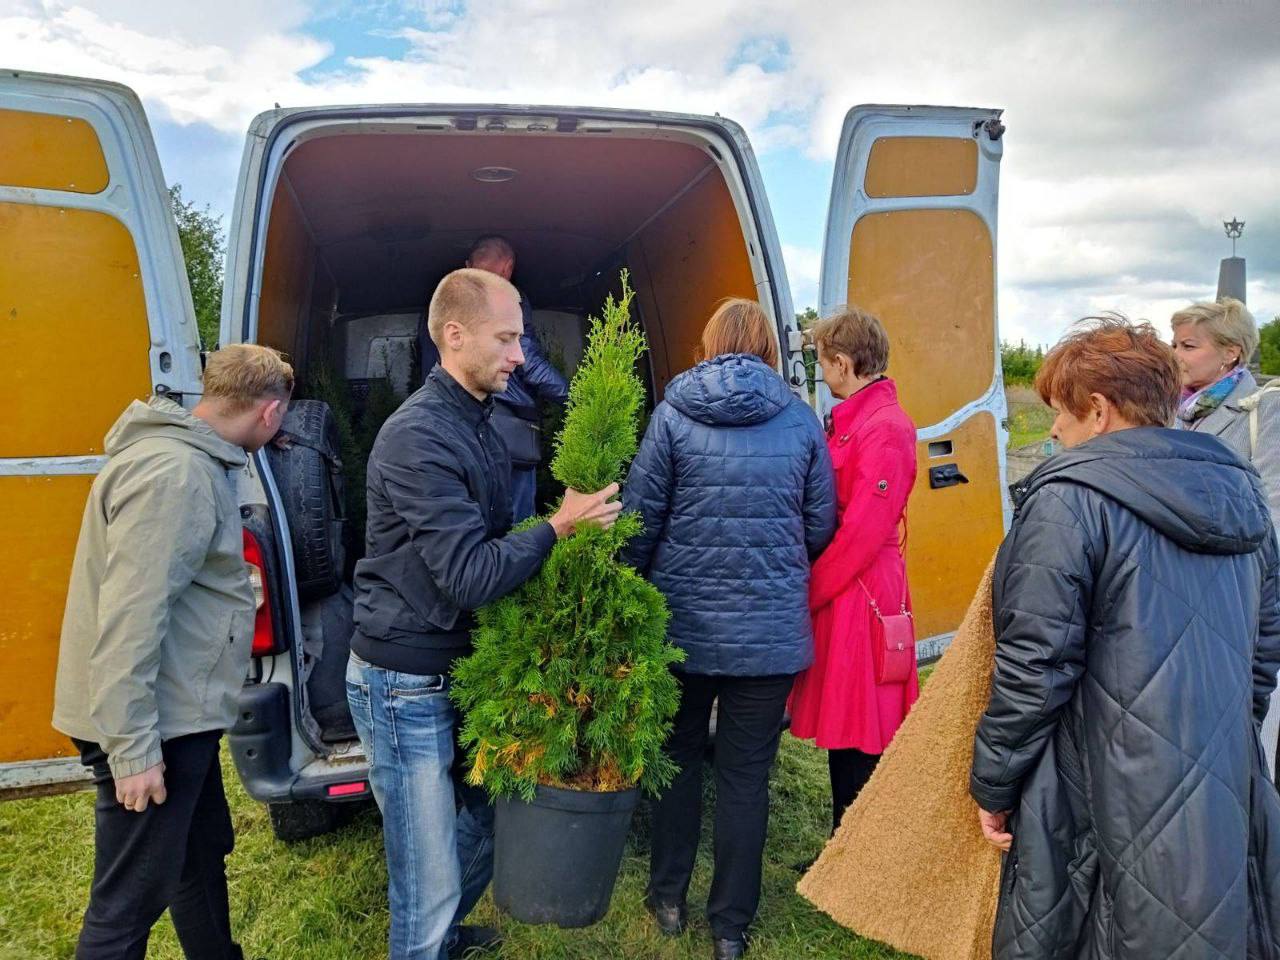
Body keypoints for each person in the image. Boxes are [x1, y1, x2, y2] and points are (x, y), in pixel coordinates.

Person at [970, 317, 1280, 959]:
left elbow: (1035, 666)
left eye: (1059, 412)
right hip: (1224, 777)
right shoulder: (1245, 496)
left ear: (1099, 410)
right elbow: (1264, 646)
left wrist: (994, 784)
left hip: (1095, 782)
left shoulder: (1068, 502)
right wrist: (1224, 736)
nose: (1053, 429)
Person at [347, 267, 621, 960]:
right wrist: (558, 528)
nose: (519, 356)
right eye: (506, 339)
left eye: (520, 340)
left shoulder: (479, 422)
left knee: (493, 815)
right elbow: (470, 574)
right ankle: (427, 938)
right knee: (426, 875)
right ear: (454, 335)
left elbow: (497, 540)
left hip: (459, 665)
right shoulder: (418, 438)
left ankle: (441, 936)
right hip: (404, 679)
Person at [52, 344, 295, 960]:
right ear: (269, 412)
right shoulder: (177, 475)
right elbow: (130, 620)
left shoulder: (184, 458)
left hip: (181, 710)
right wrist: (134, 750)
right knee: (125, 905)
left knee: (196, 853)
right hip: (151, 722)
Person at [621, 298, 835, 960]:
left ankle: (667, 897)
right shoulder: (800, 420)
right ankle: (731, 927)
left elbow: (640, 520)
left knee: (678, 757)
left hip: (681, 628)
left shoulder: (672, 415)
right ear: (769, 347)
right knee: (745, 777)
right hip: (769, 636)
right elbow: (820, 524)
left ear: (708, 344)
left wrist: (630, 587)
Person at [787, 306, 920, 834]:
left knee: (865, 730)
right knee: (847, 725)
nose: (823, 375)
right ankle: (843, 847)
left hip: (860, 587)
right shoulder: (860, 418)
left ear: (843, 363)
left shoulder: (886, 427)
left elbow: (862, 532)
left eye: (823, 364)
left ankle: (858, 852)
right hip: (848, 584)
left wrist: (809, 591)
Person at [1171, 298, 1280, 774]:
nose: (1176, 354)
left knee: (1245, 715)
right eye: (1175, 344)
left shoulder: (1265, 409)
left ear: (1231, 352)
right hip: (1181, 585)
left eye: (1189, 345)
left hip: (1240, 588)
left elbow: (1271, 510)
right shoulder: (1175, 410)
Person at [465, 235, 569, 521]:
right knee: (519, 522)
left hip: (463, 429)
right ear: (508, 267)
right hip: (509, 429)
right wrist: (578, 398)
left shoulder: (448, 303)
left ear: (468, 264)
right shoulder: (509, 299)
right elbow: (528, 363)